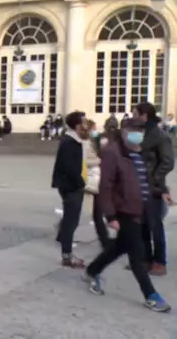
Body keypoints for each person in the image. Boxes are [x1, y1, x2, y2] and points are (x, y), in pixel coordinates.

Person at [83, 118, 171, 313]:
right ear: (124, 131)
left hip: (141, 210)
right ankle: (151, 295)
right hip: (124, 211)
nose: (138, 133)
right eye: (133, 129)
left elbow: (143, 181)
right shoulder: (112, 153)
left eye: (140, 130)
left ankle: (92, 270)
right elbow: (106, 187)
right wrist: (111, 216)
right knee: (137, 254)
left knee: (119, 247)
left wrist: (160, 192)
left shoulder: (139, 153)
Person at [131, 102, 174, 276]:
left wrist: (155, 179)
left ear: (144, 116)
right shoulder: (141, 133)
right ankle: (145, 259)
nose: (132, 116)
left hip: (153, 187)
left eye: (135, 114)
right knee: (141, 225)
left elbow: (168, 161)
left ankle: (159, 262)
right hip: (138, 185)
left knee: (155, 225)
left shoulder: (160, 136)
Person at [51, 111, 87, 268]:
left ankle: (65, 244)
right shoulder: (69, 142)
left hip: (72, 185)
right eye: (84, 122)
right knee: (71, 221)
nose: (87, 125)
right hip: (71, 186)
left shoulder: (76, 140)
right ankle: (67, 255)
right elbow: (69, 167)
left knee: (71, 219)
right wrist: (80, 183)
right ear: (78, 125)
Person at [83, 120, 110, 249]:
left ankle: (105, 239)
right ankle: (105, 240)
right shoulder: (85, 143)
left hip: (98, 178)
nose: (95, 131)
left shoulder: (96, 141)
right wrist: (100, 160)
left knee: (97, 211)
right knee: (96, 211)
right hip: (91, 178)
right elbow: (84, 160)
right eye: (93, 129)